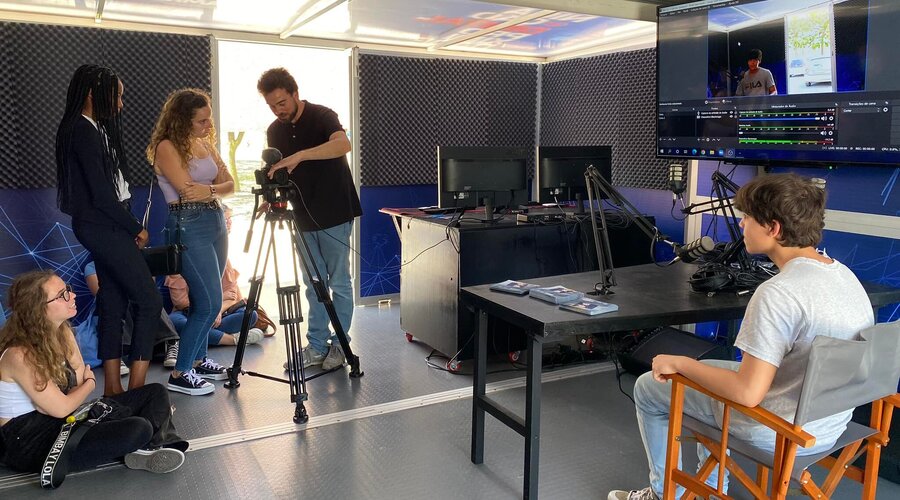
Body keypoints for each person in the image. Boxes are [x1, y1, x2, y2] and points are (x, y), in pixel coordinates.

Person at [609, 174, 874, 500]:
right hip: (829, 424)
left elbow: (747, 393)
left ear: (773, 228)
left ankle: (664, 494)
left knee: (648, 386)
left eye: (748, 217)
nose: (742, 223)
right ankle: (712, 489)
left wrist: (679, 363)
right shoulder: (844, 275)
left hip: (779, 429)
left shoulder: (779, 293)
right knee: (714, 374)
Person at [0, 270, 188, 477]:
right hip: (27, 440)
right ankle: (151, 439)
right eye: (62, 295)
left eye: (68, 289)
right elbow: (66, 403)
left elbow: (76, 384)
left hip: (61, 419)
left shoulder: (62, 332)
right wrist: (88, 385)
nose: (73, 296)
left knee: (155, 392)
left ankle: (151, 445)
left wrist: (75, 392)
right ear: (38, 309)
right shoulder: (20, 355)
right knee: (138, 427)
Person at [55, 64, 162, 396]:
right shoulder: (82, 130)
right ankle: (136, 389)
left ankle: (114, 390)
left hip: (106, 223)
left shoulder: (91, 128)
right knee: (149, 301)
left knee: (112, 304)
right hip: (105, 225)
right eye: (116, 96)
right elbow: (102, 195)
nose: (120, 104)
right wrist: (136, 228)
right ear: (92, 94)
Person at [257, 68, 362, 370]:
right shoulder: (274, 130)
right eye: (271, 106)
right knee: (313, 283)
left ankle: (340, 345)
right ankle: (316, 346)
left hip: (335, 212)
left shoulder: (323, 116)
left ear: (295, 93)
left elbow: (343, 144)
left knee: (338, 282)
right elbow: (277, 171)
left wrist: (301, 155)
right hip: (300, 216)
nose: (278, 110)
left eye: (282, 103)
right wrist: (269, 198)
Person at [147, 88, 234, 396]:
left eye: (209, 119)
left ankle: (198, 359)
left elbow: (230, 184)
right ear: (183, 120)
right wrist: (214, 188)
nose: (209, 126)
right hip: (188, 223)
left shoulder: (205, 144)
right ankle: (181, 372)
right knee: (210, 303)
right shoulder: (167, 146)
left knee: (204, 300)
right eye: (202, 121)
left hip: (215, 220)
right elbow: (188, 191)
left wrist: (210, 190)